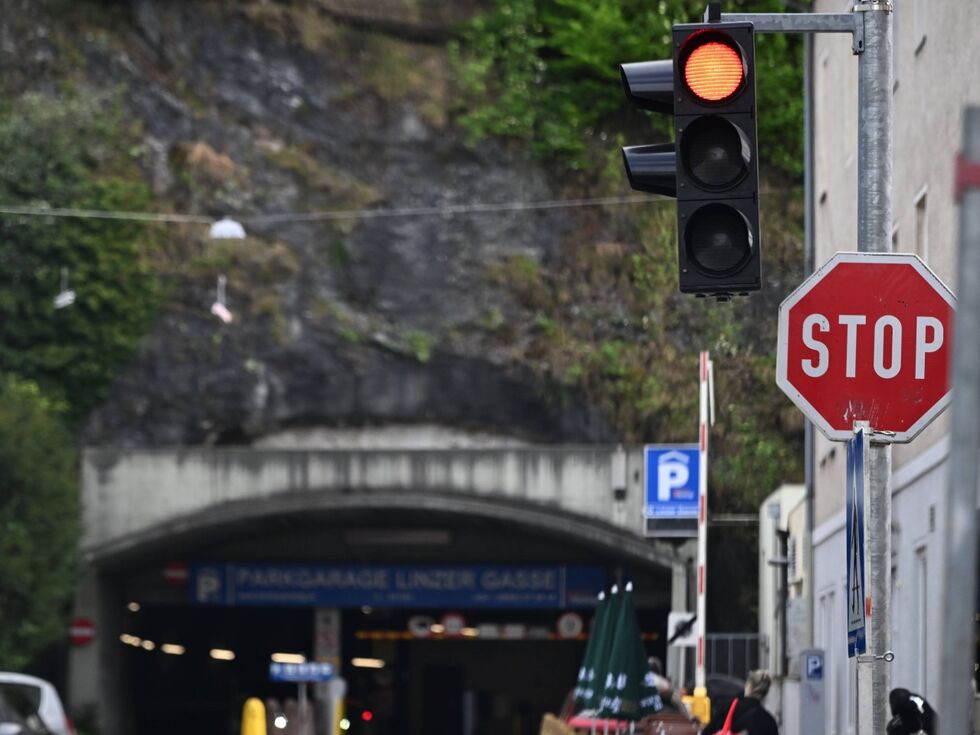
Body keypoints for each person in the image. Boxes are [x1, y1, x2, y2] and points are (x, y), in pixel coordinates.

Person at [700, 670, 778, 735]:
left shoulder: (729, 708)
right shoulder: (769, 721)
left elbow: (707, 732)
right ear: (765, 693)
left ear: (749, 686)